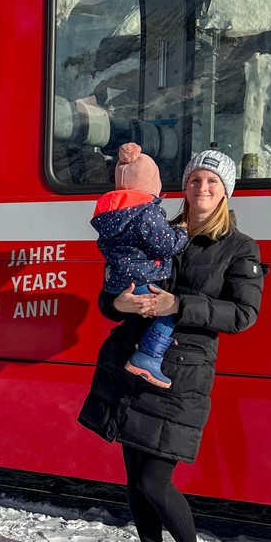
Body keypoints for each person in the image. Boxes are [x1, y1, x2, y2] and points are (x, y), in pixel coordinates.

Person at [78, 149, 264, 542]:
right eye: (196, 179)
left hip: (182, 372)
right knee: (134, 474)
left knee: (154, 479)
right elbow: (110, 292)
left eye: (212, 182)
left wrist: (178, 305)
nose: (202, 188)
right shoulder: (157, 225)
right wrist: (116, 304)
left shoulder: (239, 247)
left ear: (226, 191)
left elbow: (243, 314)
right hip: (132, 361)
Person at [91, 142, 189, 389]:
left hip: (117, 281)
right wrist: (181, 233)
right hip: (140, 277)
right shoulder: (146, 211)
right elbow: (165, 245)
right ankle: (148, 356)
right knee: (169, 312)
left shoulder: (111, 214)